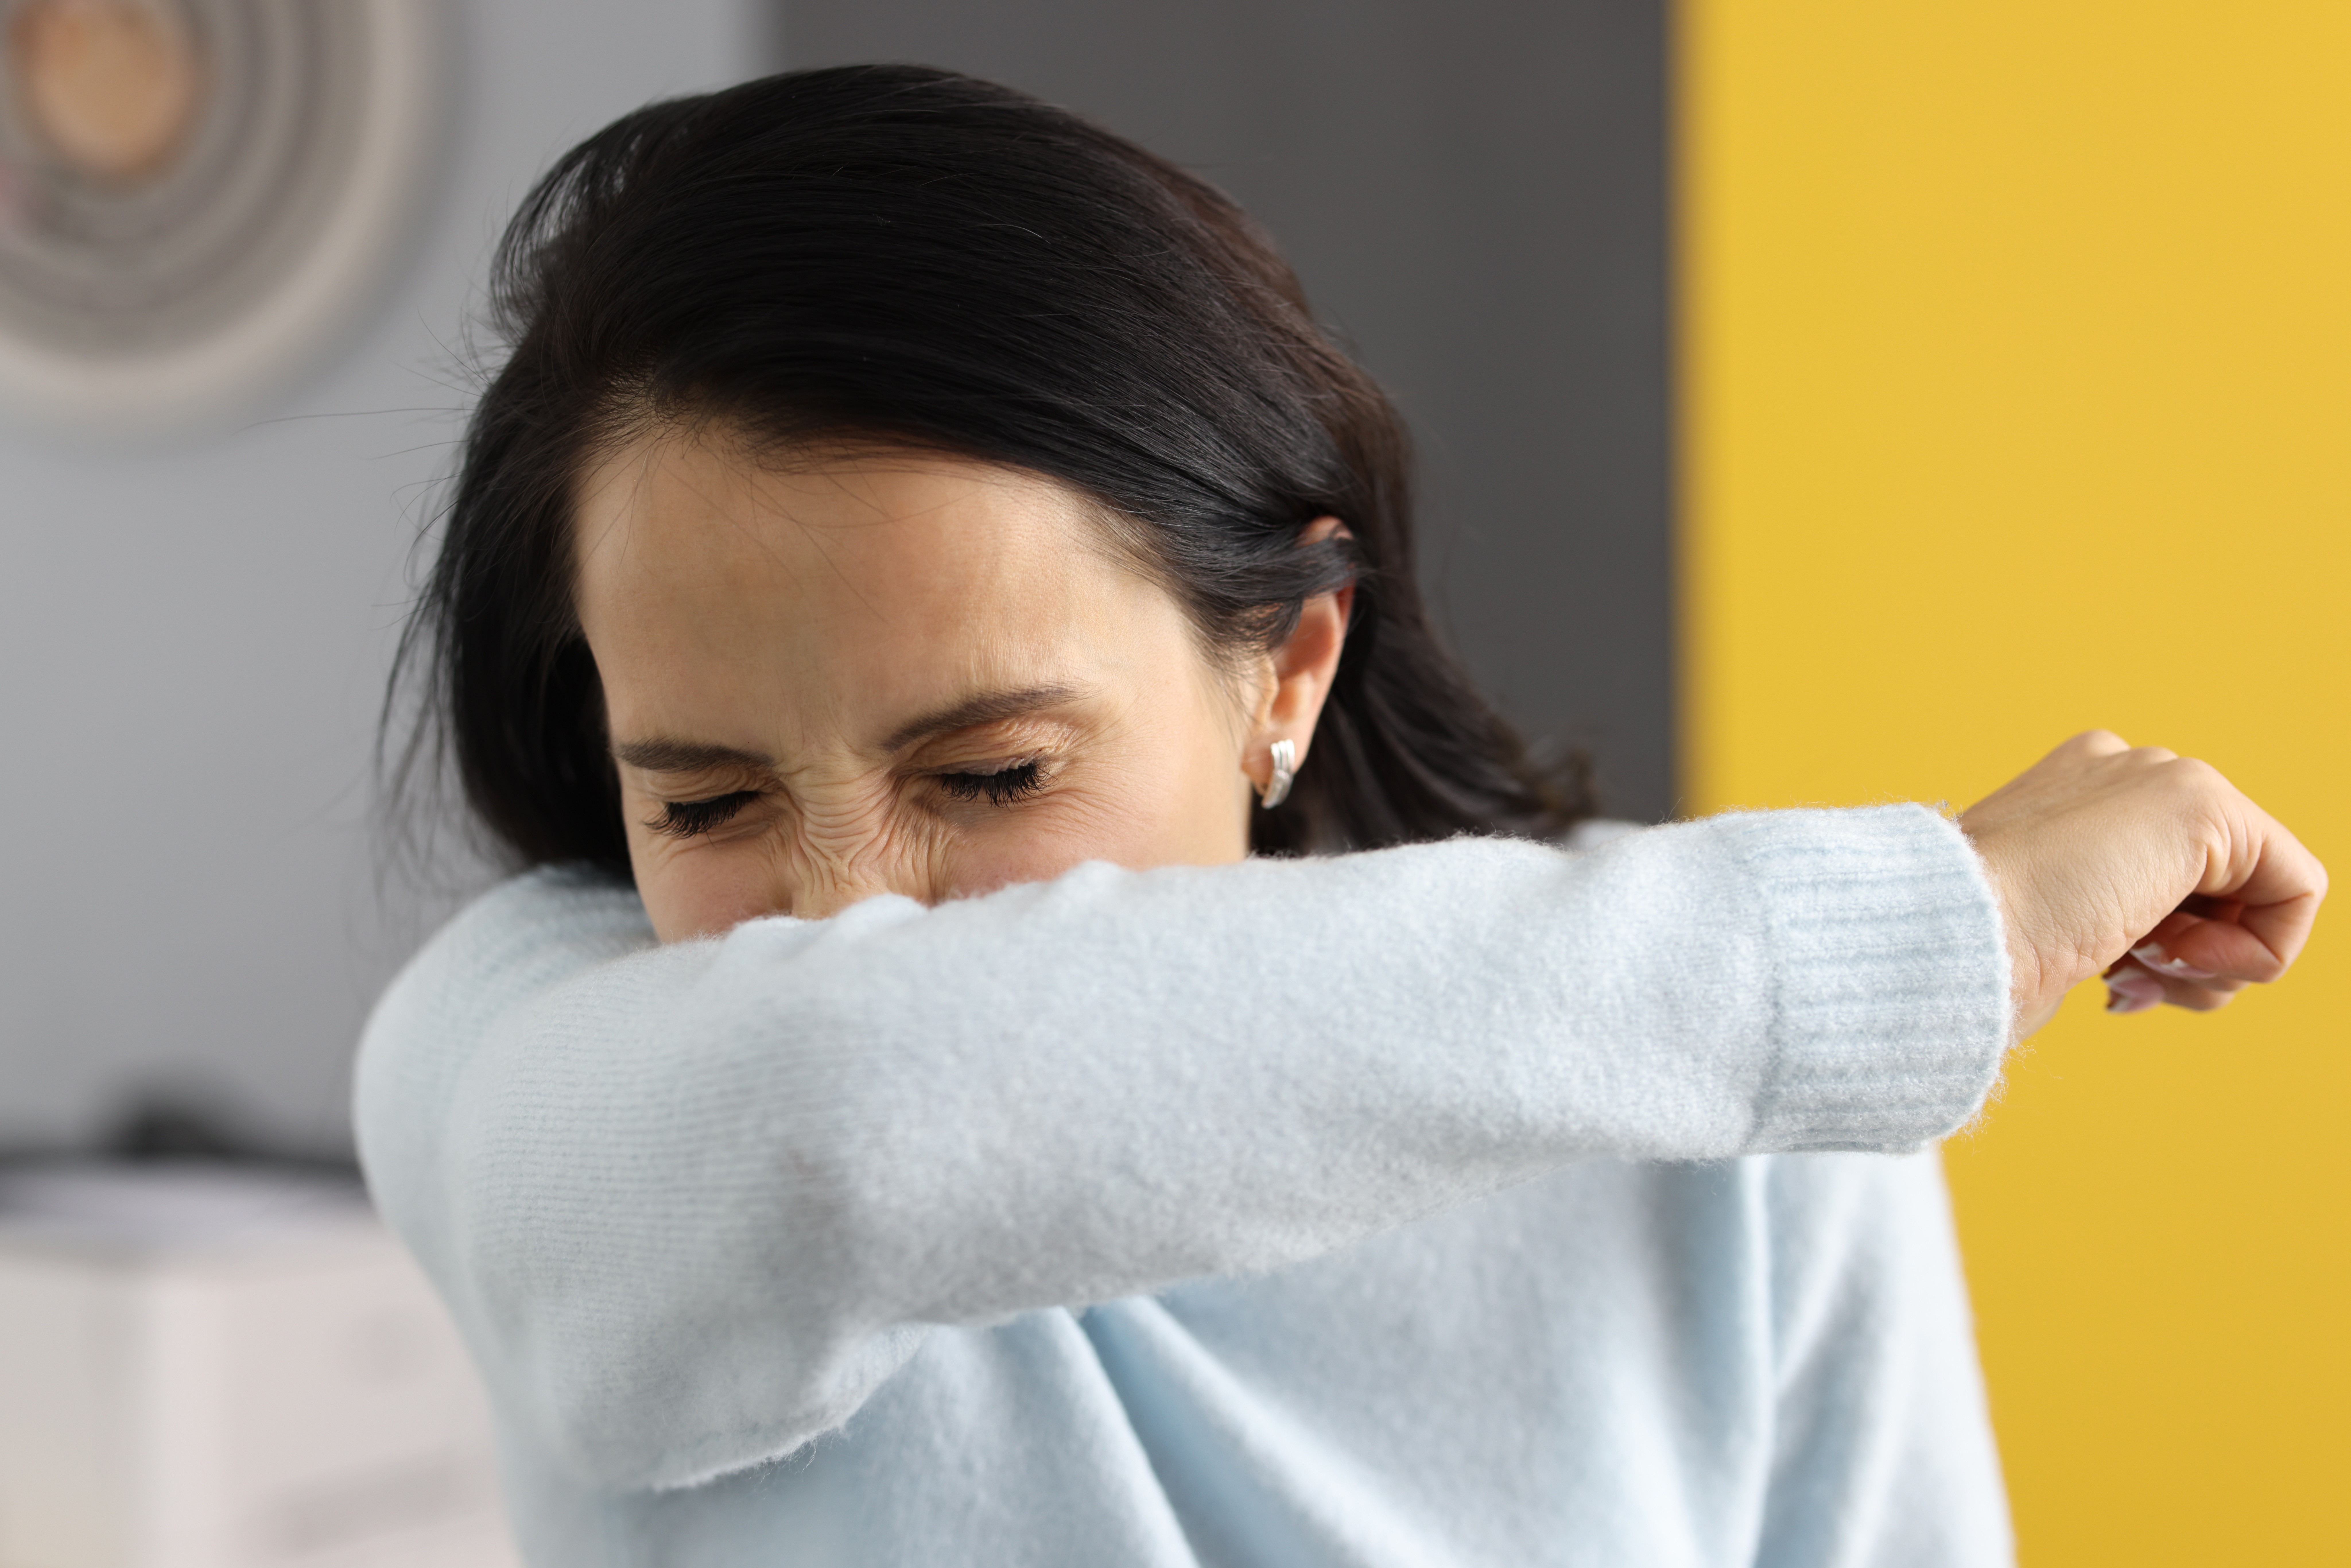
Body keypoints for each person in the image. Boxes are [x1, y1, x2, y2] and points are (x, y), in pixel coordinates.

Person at [358, 65, 2323, 1566]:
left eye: (991, 774)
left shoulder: (1737, 1142)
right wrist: (1916, 935)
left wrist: (1842, 989)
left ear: (1287, 667)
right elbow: (833, 1109)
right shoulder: (537, 1061)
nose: (841, 910)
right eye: (706, 796)